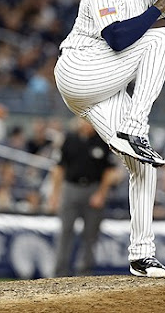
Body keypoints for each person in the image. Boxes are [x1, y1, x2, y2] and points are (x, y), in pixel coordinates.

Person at [53, 0, 165, 277]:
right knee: (162, 37)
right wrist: (159, 8)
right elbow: (118, 39)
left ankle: (141, 255)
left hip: (105, 87)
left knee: (141, 164)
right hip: (81, 70)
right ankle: (134, 128)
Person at [48, 118, 117, 277]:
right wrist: (55, 194)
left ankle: (84, 273)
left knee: (90, 235)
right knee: (65, 232)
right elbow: (58, 168)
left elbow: (110, 171)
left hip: (93, 189)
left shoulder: (103, 141)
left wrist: (101, 193)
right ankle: (60, 273)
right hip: (70, 188)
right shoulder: (69, 139)